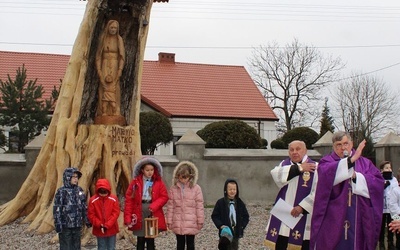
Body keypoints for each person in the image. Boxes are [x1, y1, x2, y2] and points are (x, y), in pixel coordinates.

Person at [310, 131, 384, 250]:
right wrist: (350, 161)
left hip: (359, 215)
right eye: (338, 145)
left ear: (352, 143)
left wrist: (357, 177)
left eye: (346, 143)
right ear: (333, 146)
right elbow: (326, 177)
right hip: (333, 217)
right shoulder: (326, 162)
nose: (343, 148)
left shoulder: (365, 163)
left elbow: (378, 183)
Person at [264, 140, 317, 250]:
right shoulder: (284, 164)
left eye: (298, 149)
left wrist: (302, 207)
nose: (294, 152)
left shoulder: (315, 167)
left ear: (305, 150)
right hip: (283, 215)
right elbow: (276, 175)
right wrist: (300, 168)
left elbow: (318, 192)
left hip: (303, 215)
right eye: (291, 150)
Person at [124, 157, 168, 250]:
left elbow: (164, 197)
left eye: (152, 170)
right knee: (140, 238)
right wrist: (128, 217)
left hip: (152, 212)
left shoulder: (158, 182)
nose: (150, 172)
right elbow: (129, 199)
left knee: (150, 238)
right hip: (139, 212)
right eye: (147, 170)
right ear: (142, 170)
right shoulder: (135, 183)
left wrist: (154, 205)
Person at [166, 161, 205, 250]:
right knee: (180, 244)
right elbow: (170, 206)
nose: (182, 180)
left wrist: (200, 220)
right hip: (178, 220)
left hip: (191, 221)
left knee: (190, 244)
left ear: (190, 176)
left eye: (185, 177)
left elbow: (199, 206)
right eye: (180, 177)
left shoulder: (196, 188)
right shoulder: (174, 188)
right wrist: (169, 220)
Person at [53, 167, 91, 250]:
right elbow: (57, 209)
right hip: (65, 226)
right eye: (73, 177)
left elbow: (83, 206)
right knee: (66, 246)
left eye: (77, 177)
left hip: (77, 225)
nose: (75, 179)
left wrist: (87, 220)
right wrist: (58, 224)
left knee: (76, 247)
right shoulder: (61, 191)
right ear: (67, 177)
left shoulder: (79, 190)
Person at [96, 19, 125, 116]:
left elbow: (122, 57)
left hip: (114, 65)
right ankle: (102, 111)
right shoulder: (103, 38)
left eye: (115, 28)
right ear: (108, 27)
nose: (113, 30)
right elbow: (98, 56)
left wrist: (120, 69)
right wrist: (99, 70)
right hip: (104, 64)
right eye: (111, 27)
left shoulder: (119, 39)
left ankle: (115, 110)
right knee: (103, 86)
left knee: (115, 86)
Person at [211, 178, 250, 250]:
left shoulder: (240, 203)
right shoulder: (220, 202)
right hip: (225, 232)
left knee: (234, 246)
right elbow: (215, 216)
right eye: (230, 189)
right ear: (226, 190)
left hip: (236, 230)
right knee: (224, 247)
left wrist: (242, 226)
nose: (232, 191)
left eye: (234, 189)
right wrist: (220, 225)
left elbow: (246, 216)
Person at [88, 178, 120, 250]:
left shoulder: (113, 199)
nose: (103, 195)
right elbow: (91, 215)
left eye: (105, 193)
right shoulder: (93, 200)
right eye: (101, 193)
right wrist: (99, 224)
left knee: (111, 247)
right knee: (101, 247)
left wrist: (107, 225)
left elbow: (115, 213)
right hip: (99, 229)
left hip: (111, 228)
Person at [378, 161, 398, 250]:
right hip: (382, 207)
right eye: (386, 168)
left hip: (391, 207)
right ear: (381, 170)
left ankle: (390, 242)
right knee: (381, 226)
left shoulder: (394, 179)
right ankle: (381, 242)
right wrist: (384, 186)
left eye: (390, 168)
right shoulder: (379, 178)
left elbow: (396, 191)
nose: (389, 169)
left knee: (391, 224)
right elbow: (376, 191)